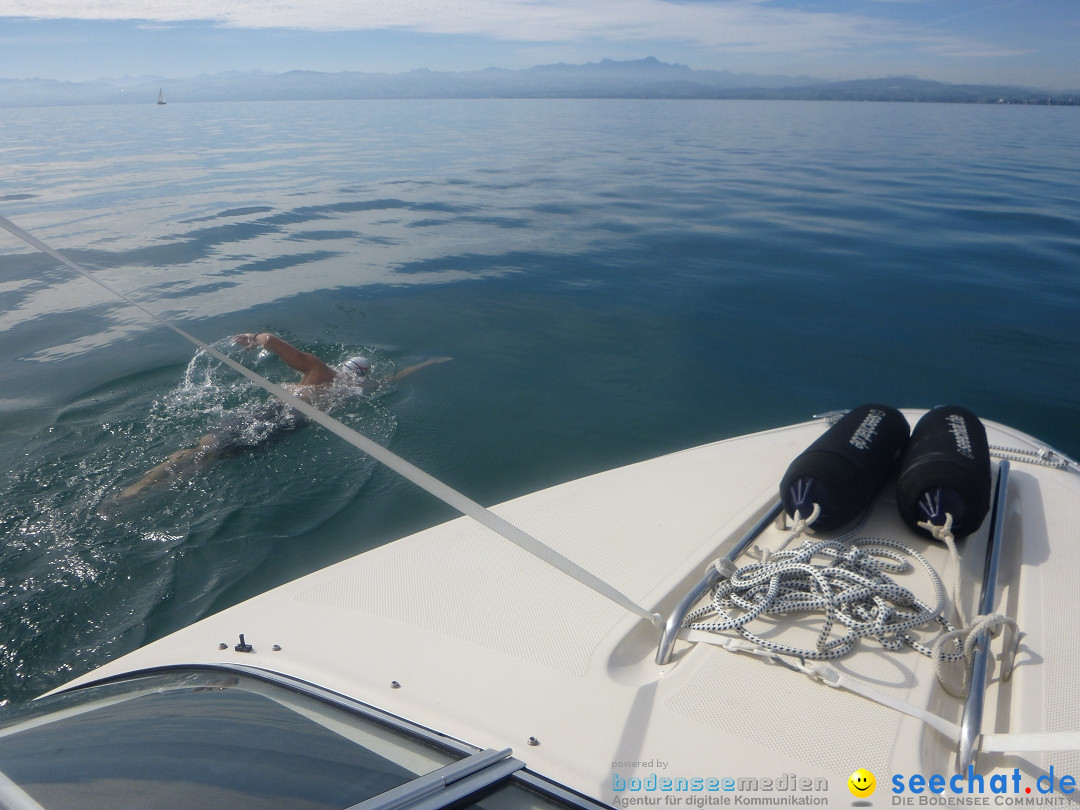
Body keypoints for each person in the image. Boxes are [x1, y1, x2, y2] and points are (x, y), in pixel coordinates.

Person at [109, 333, 451, 504]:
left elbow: (272, 340)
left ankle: (134, 490)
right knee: (213, 459)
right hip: (291, 427)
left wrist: (252, 338)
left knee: (201, 447)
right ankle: (141, 495)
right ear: (360, 376)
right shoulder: (356, 389)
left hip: (270, 412)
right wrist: (429, 364)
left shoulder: (319, 371)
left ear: (345, 365)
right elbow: (398, 378)